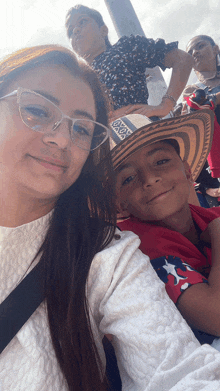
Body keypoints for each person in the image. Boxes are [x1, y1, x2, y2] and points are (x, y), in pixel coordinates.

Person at [1, 45, 220, 391]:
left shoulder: (108, 254)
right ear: (117, 200)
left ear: (186, 167)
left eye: (82, 129)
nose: (60, 137)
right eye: (35, 110)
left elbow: (177, 370)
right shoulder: (144, 247)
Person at [111, 111, 220, 350]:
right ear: (118, 203)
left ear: (188, 171)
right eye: (128, 178)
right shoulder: (139, 254)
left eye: (161, 161)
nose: (149, 179)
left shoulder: (211, 217)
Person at [65, 5, 193, 122]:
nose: (75, 30)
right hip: (107, 145)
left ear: (103, 30)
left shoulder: (126, 47)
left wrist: (166, 105)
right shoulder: (77, 80)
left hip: (145, 133)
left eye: (82, 22)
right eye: (70, 31)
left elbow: (182, 59)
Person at [182, 35, 220, 200]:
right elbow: (193, 136)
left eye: (200, 46)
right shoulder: (191, 93)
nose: (195, 52)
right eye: (190, 51)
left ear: (215, 49)